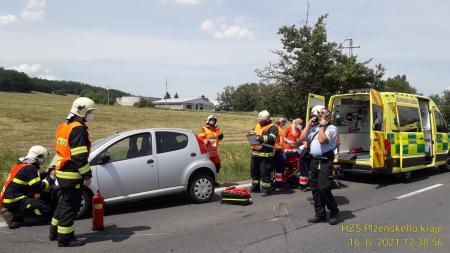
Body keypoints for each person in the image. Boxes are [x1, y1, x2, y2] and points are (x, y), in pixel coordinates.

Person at [49, 97, 96, 247]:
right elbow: (79, 156)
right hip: (71, 174)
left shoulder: (64, 126)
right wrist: (87, 174)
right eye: (90, 112)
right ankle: (66, 239)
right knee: (71, 207)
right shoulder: (78, 130)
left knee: (64, 202)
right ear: (82, 112)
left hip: (62, 172)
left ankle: (54, 231)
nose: (92, 115)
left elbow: (61, 151)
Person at [299, 105, 339, 225]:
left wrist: (322, 125)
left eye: (323, 113)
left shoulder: (332, 128)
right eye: (319, 113)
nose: (320, 115)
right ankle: (320, 214)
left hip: (325, 161)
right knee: (315, 189)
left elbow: (322, 140)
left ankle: (333, 210)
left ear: (328, 116)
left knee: (324, 188)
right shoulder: (315, 128)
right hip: (313, 161)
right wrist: (308, 125)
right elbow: (302, 138)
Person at [0, 145, 53, 229]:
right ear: (38, 157)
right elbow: (38, 187)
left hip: (12, 198)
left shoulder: (23, 164)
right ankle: (16, 215)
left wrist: (47, 173)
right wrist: (50, 178)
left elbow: (34, 180)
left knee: (44, 198)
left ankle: (14, 212)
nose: (44, 160)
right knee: (47, 209)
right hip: (15, 200)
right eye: (43, 158)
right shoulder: (30, 168)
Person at [249, 110, 278, 196]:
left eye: (263, 120)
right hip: (255, 154)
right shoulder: (257, 126)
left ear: (268, 119)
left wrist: (260, 138)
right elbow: (251, 133)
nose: (261, 121)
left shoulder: (272, 127)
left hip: (265, 155)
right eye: (260, 119)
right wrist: (251, 135)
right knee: (254, 172)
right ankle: (255, 187)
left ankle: (266, 189)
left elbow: (272, 138)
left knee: (265, 173)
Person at [273, 118, 287, 190]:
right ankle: (278, 185)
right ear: (280, 123)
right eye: (284, 122)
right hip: (278, 150)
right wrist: (283, 152)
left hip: (271, 149)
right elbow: (281, 143)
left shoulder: (273, 128)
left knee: (271, 167)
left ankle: (270, 183)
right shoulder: (280, 130)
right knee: (279, 168)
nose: (284, 124)